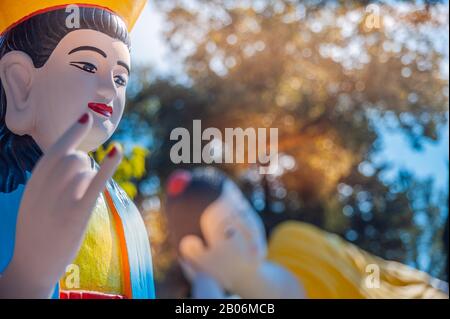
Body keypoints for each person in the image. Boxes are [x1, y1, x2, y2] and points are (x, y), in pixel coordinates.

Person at [0, 1, 154, 299]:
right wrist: (26, 280)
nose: (109, 89)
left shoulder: (126, 215)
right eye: (87, 65)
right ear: (20, 81)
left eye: (120, 78)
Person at [165, 167, 448, 299]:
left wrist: (435, 286)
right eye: (228, 231)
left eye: (244, 212)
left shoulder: (293, 238)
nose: (249, 230)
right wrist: (205, 282)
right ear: (196, 251)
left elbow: (370, 265)